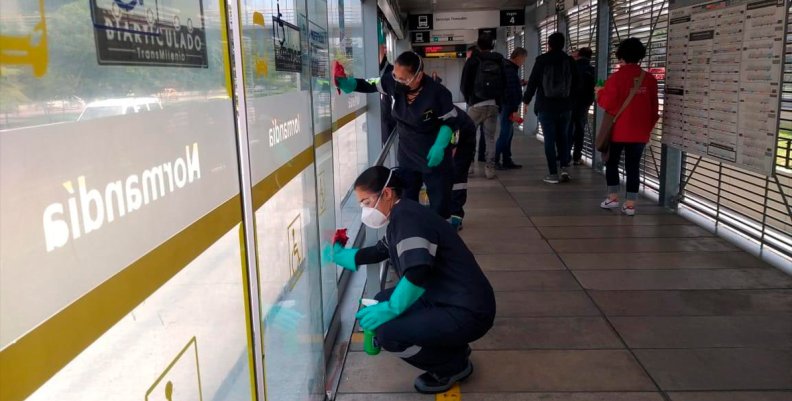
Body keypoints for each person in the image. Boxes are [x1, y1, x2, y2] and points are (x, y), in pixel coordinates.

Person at [324, 166, 496, 394]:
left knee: (387, 331)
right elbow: (380, 250)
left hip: (467, 311)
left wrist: (393, 309)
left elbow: (418, 272)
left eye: (366, 202)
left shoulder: (407, 219)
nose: (364, 210)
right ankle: (454, 349)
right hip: (447, 296)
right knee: (381, 299)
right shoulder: (402, 214)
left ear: (386, 194)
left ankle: (451, 366)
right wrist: (341, 255)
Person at [336, 51, 459, 219]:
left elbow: (449, 121)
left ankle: (440, 237)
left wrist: (440, 145)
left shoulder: (438, 93)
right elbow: (371, 84)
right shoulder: (391, 81)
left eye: (403, 78)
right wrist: (349, 84)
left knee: (439, 205)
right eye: (395, 75)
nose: (398, 81)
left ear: (418, 76)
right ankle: (412, 235)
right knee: (407, 203)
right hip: (408, 155)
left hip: (434, 155)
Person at [596, 38, 659, 216]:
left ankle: (612, 197)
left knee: (612, 163)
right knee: (633, 167)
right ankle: (630, 204)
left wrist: (599, 93)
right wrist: (647, 128)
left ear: (621, 55)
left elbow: (607, 103)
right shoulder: (650, 79)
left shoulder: (616, 78)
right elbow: (654, 109)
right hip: (639, 132)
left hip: (617, 131)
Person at [522, 32, 579, 184]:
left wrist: (526, 101)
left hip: (546, 107)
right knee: (564, 138)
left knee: (549, 139)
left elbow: (533, 82)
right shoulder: (569, 61)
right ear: (563, 44)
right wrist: (571, 102)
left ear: (549, 44)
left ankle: (553, 174)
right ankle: (565, 169)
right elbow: (576, 84)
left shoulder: (541, 60)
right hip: (565, 107)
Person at [461, 35, 505, 179]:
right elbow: (504, 84)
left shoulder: (473, 60)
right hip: (492, 105)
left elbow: (464, 84)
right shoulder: (499, 60)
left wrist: (469, 100)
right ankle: (489, 169)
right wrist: (499, 102)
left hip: (476, 105)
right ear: (492, 44)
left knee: (469, 136)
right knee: (490, 138)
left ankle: (468, 167)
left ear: (478, 45)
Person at [495, 47, 528, 170]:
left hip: (507, 105)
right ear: (519, 57)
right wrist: (514, 108)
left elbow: (510, 85)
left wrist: (522, 82)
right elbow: (509, 90)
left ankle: (506, 159)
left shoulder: (508, 68)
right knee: (505, 134)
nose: (523, 62)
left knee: (509, 134)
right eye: (523, 59)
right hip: (508, 106)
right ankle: (496, 160)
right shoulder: (509, 69)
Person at [449, 105, 477, 231]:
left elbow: (455, 132)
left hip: (464, 136)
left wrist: (452, 149)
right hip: (453, 132)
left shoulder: (438, 105)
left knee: (457, 177)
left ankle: (456, 216)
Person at [570, 47, 596, 165]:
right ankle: (576, 157)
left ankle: (563, 155)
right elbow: (598, 85)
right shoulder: (592, 70)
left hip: (569, 103)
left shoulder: (571, 67)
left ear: (579, 55)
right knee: (580, 130)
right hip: (583, 104)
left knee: (568, 129)